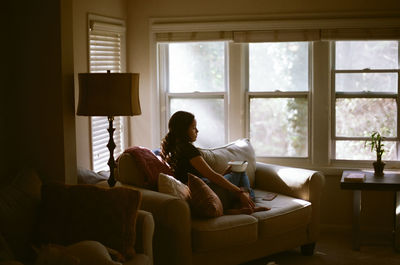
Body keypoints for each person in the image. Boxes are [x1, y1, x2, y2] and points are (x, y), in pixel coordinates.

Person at [160, 110, 267, 214]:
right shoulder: (188, 149)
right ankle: (247, 203)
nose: (197, 131)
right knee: (240, 172)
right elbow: (212, 176)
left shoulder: (172, 148)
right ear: (183, 130)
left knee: (238, 181)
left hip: (197, 192)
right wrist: (241, 193)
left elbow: (198, 176)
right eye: (193, 128)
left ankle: (236, 207)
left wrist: (224, 174)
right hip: (207, 191)